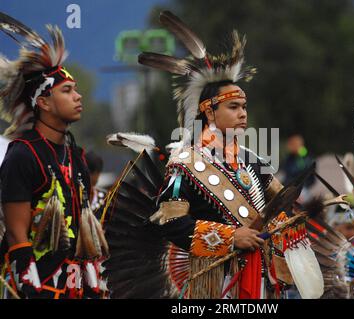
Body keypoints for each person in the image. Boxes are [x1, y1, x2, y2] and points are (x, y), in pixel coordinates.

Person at [101, 11, 324, 299]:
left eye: (244, 106)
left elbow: (281, 205)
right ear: (209, 111)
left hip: (261, 281)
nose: (243, 113)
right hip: (213, 283)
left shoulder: (252, 161)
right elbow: (171, 222)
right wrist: (232, 237)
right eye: (233, 107)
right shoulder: (184, 165)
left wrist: (289, 222)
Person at [0, 13, 107, 298]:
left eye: (76, 90)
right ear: (43, 102)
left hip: (74, 286)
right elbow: (16, 233)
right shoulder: (23, 155)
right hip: (38, 285)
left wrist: (94, 284)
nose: (78, 96)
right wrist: (31, 286)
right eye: (68, 91)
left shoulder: (76, 156)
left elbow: (84, 231)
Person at [280, 133, 316, 200]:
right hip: (289, 188)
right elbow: (286, 175)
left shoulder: (305, 157)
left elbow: (309, 176)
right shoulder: (289, 158)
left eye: (292, 144)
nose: (289, 147)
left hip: (302, 189)